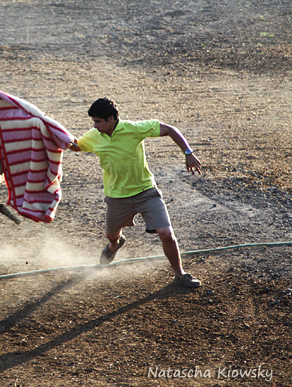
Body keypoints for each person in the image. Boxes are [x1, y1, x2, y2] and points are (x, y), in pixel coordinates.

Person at [69, 98, 202, 288]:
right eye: (94, 121)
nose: (95, 125)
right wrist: (55, 134)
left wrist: (188, 153)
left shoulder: (134, 129)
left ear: (111, 118)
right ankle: (115, 245)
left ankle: (180, 275)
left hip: (146, 192)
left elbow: (170, 129)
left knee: (166, 234)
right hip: (116, 197)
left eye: (98, 121)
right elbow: (76, 146)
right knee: (111, 235)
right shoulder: (93, 136)